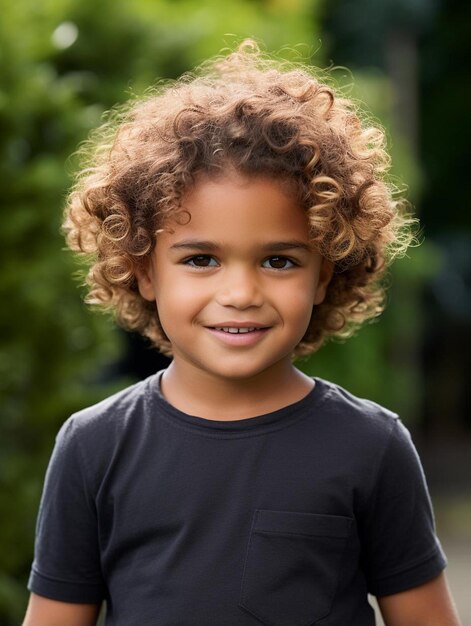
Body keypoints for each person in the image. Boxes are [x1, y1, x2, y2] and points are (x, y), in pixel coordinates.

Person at [23, 41, 461, 626]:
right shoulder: (93, 446)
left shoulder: (371, 446)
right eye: (201, 259)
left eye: (279, 261)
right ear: (144, 270)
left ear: (324, 274)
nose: (241, 293)